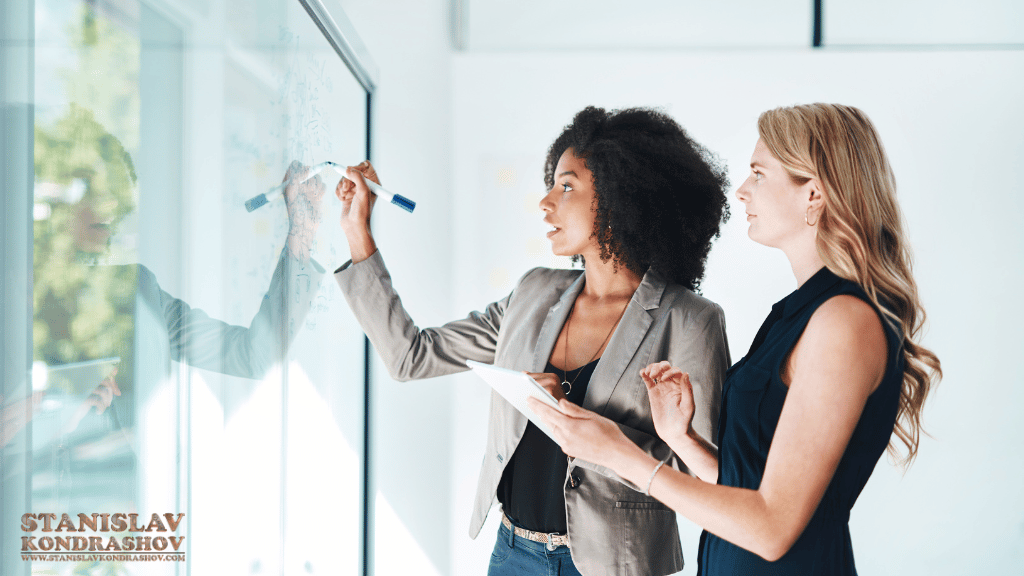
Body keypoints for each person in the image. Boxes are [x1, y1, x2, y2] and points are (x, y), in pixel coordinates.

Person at [531, 103, 943, 575]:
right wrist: (680, 439)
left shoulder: (844, 323)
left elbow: (770, 530)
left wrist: (619, 453)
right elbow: (749, 488)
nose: (742, 190)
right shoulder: (796, 314)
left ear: (812, 194)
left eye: (759, 174)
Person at [333, 106, 731, 576]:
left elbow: (707, 480)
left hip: (614, 566)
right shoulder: (534, 292)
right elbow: (410, 356)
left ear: (624, 195)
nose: (546, 202)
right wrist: (358, 231)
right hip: (511, 555)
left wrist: (570, 415)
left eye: (567, 186)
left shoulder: (689, 321)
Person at [7, 105, 327, 512]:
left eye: (116, 194)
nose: (107, 208)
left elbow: (256, 354)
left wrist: (302, 233)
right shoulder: (14, 301)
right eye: (90, 187)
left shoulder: (136, 294)